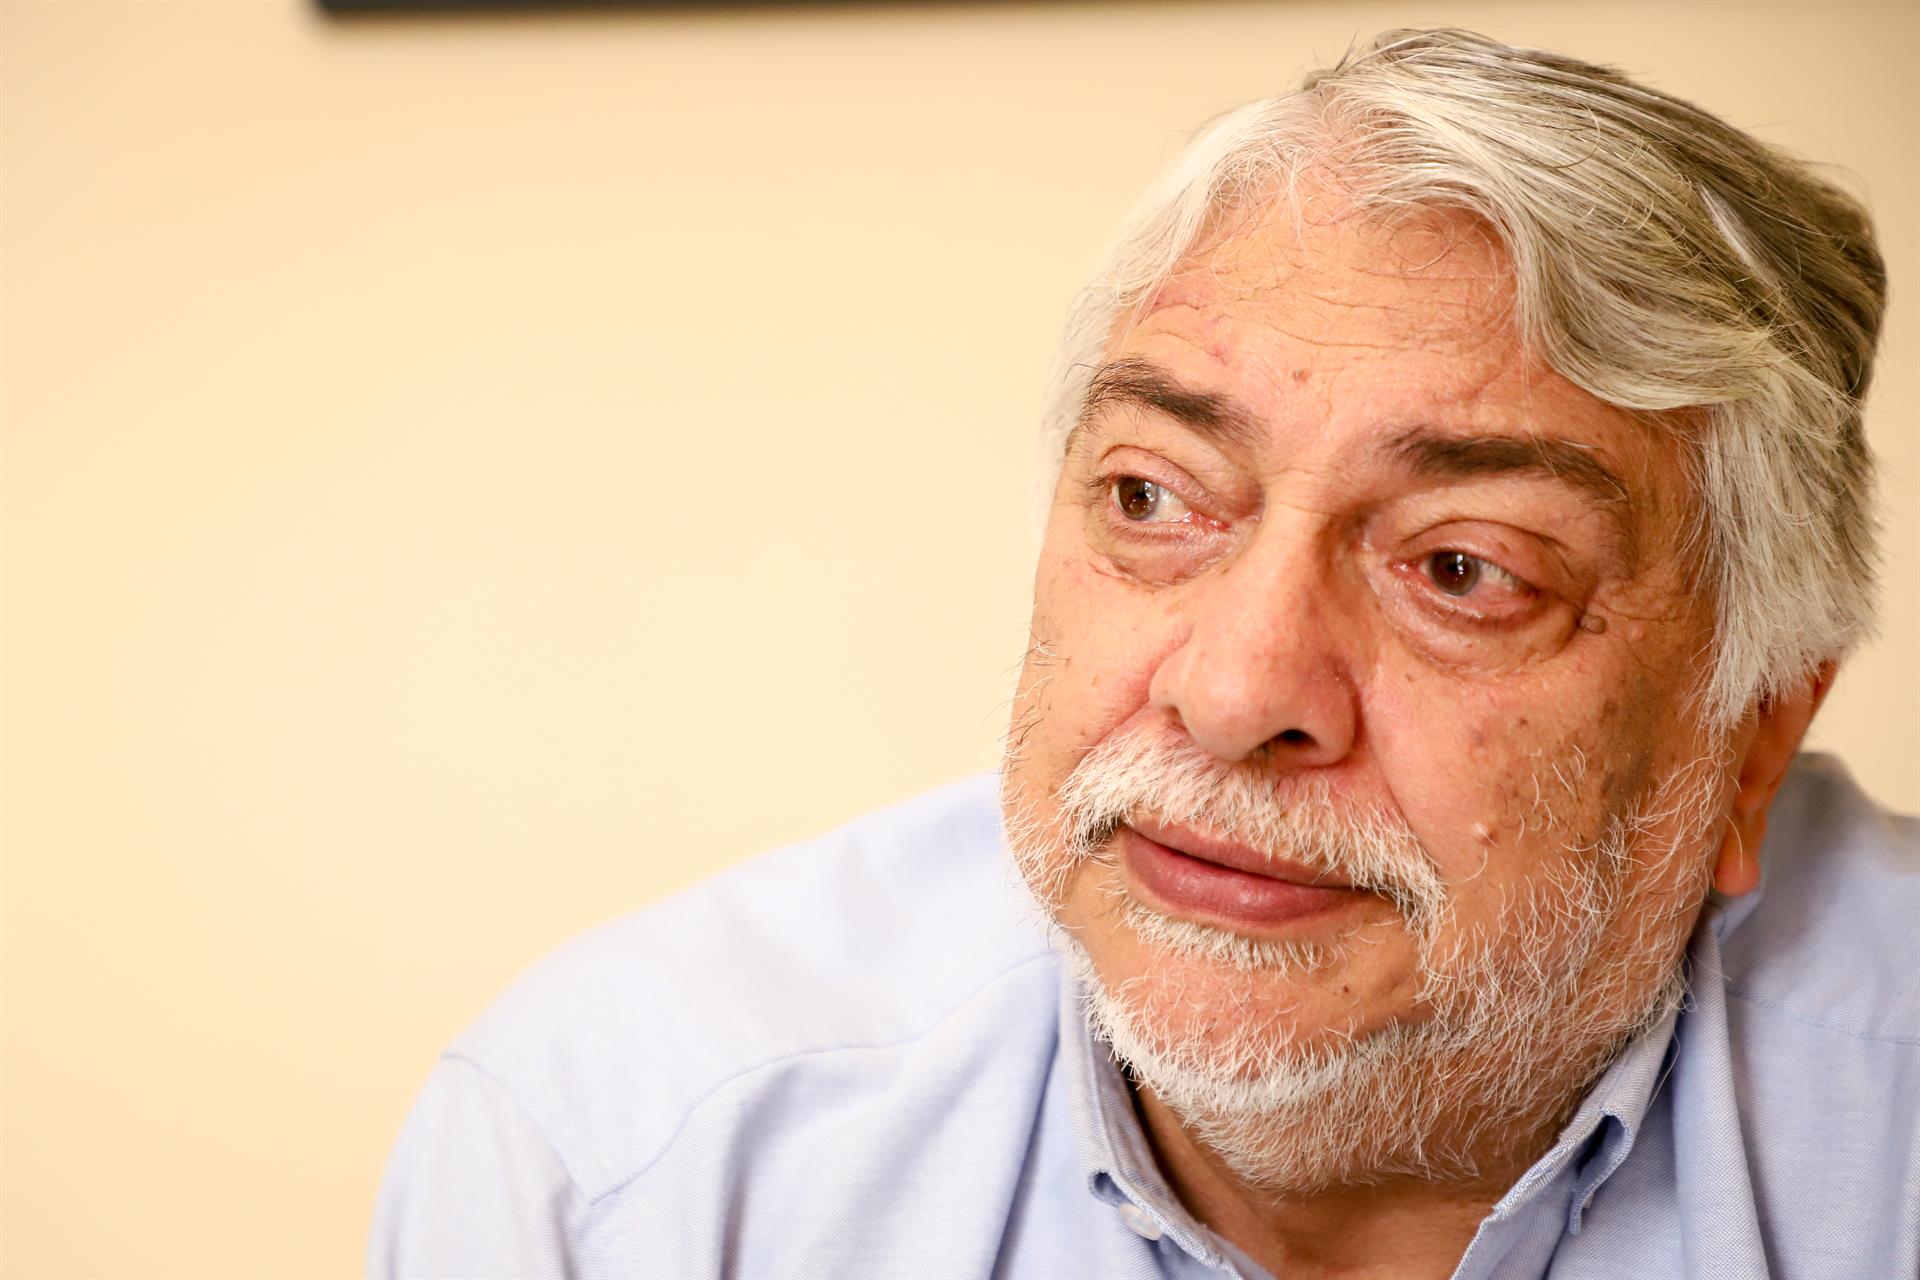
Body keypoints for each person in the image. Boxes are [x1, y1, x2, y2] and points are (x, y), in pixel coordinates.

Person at [369, 30, 1916, 1279]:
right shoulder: (626, 1164)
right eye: (1152, 499)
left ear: (1755, 730)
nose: (1235, 695)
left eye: (1463, 568)